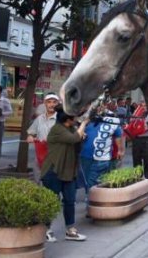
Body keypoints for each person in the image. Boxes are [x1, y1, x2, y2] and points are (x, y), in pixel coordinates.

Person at [41, 107, 88, 242]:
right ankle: (46, 229)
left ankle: (70, 230)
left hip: (69, 171)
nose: (77, 119)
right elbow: (74, 139)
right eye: (75, 117)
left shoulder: (71, 128)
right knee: (51, 202)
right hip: (53, 171)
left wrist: (82, 136)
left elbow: (77, 141)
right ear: (68, 119)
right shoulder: (57, 129)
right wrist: (84, 124)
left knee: (69, 201)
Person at [79, 105, 124, 200]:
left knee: (93, 181)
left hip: (102, 158)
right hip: (85, 156)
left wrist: (120, 150)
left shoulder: (112, 121)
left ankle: (93, 202)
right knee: (88, 180)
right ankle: (94, 199)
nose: (99, 109)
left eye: (102, 107)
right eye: (97, 107)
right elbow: (78, 131)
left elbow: (118, 136)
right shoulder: (87, 119)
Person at [27, 93, 61, 171]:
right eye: (49, 102)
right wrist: (30, 136)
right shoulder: (39, 118)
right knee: (37, 177)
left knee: (50, 179)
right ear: (45, 104)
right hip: (40, 153)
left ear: (57, 104)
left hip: (54, 155)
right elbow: (31, 132)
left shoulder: (60, 119)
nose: (51, 105)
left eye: (54, 102)